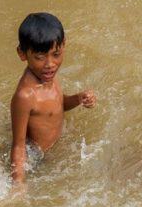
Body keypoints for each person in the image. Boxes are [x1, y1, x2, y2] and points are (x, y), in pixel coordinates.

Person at [9, 12, 97, 183]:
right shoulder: (26, 96)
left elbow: (58, 104)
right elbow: (19, 146)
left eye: (55, 54)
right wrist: (18, 184)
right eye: (40, 58)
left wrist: (79, 99)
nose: (50, 64)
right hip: (38, 161)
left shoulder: (49, 76)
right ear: (22, 54)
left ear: (63, 45)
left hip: (55, 149)